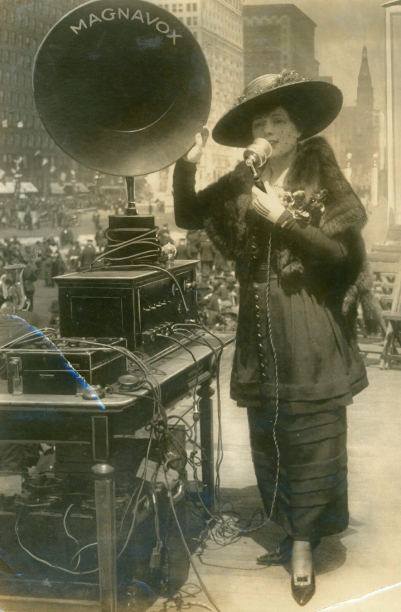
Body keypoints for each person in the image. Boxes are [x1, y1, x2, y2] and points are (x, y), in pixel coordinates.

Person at [173, 70, 381, 606]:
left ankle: (306, 543)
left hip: (305, 315)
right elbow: (188, 214)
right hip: (257, 321)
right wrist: (187, 163)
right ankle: (288, 527)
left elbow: (340, 255)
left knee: (310, 433)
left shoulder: (318, 167)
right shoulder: (244, 177)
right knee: (267, 431)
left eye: (277, 121)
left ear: (297, 128)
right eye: (259, 124)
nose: (267, 131)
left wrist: (285, 218)